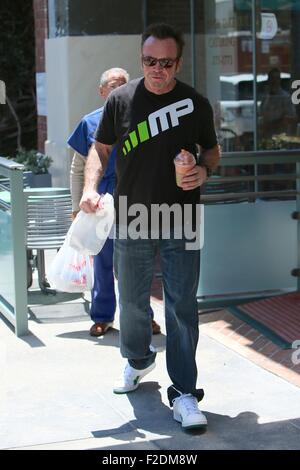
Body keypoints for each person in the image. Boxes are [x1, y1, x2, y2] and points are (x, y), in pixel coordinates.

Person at [79, 24, 220, 430]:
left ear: (179, 61)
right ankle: (138, 361)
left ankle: (185, 392)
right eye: (149, 61)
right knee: (135, 303)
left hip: (182, 216)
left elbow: (211, 150)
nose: (157, 68)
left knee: (180, 306)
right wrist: (89, 187)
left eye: (166, 62)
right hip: (132, 216)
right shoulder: (121, 100)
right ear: (141, 59)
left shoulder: (195, 103)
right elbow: (100, 149)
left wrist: (204, 171)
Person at [68, 67, 161, 336]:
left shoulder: (142, 121)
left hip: (136, 199)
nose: (118, 89)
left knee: (138, 262)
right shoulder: (89, 122)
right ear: (101, 91)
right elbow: (77, 169)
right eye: (112, 85)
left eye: (123, 84)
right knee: (104, 263)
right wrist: (77, 206)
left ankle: (145, 317)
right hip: (102, 201)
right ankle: (102, 316)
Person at [260, 67, 297, 139]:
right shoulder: (265, 97)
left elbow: (291, 117)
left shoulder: (285, 97)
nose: (274, 81)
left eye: (276, 78)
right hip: (267, 135)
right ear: (268, 80)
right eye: (272, 78)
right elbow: (261, 114)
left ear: (279, 80)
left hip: (281, 135)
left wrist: (273, 124)